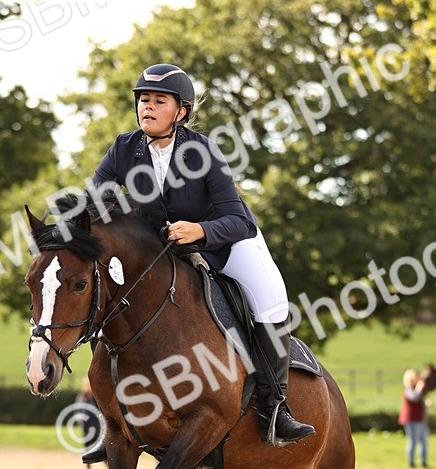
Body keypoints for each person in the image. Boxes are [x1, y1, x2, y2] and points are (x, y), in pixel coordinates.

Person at [91, 63, 314, 447]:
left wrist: (201, 231)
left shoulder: (202, 151)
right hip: (162, 249)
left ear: (181, 112)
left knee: (271, 298)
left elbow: (237, 219)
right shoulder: (123, 148)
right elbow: (93, 201)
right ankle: (113, 419)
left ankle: (275, 409)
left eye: (159, 101)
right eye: (144, 99)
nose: (148, 107)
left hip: (226, 241)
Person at [398, 369, 428, 468]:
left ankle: (424, 462)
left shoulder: (417, 390)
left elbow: (420, 401)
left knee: (424, 441)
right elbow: (414, 398)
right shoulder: (408, 389)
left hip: (420, 419)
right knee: (412, 441)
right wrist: (419, 389)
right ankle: (411, 463)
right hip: (411, 419)